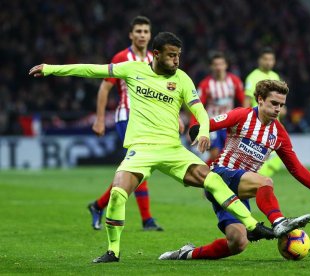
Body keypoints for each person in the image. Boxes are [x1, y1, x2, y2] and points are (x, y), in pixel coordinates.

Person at [29, 32, 275, 263]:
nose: (176, 60)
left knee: (211, 179)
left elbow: (198, 108)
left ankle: (252, 226)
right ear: (156, 54)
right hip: (141, 150)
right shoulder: (133, 69)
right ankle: (112, 251)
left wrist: (202, 129)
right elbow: (92, 70)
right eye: (171, 55)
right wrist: (51, 69)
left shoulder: (182, 78)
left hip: (172, 149)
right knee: (117, 193)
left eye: (178, 55)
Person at [159, 80, 310, 260]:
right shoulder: (242, 115)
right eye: (274, 103)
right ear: (260, 99)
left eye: (281, 105)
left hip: (241, 191)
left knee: (238, 243)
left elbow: (297, 169)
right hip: (220, 176)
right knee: (265, 181)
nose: (277, 109)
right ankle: (279, 222)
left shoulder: (279, 134)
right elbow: (205, 124)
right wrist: (198, 131)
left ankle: (187, 254)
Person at [87, 15, 163, 232]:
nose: (142, 35)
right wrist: (100, 119)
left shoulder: (153, 57)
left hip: (149, 120)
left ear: (150, 35)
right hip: (126, 117)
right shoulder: (122, 56)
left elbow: (163, 90)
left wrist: (174, 116)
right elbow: (105, 87)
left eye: (145, 31)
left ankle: (98, 205)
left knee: (137, 168)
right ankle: (147, 220)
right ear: (131, 34)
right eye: (138, 31)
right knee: (140, 164)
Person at [191, 51, 245, 165]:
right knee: (215, 153)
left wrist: (244, 120)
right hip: (212, 123)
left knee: (228, 156)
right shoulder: (205, 84)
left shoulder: (234, 81)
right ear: (211, 66)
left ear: (226, 65)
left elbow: (243, 100)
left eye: (221, 64)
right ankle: (201, 174)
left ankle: (203, 174)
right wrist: (194, 124)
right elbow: (197, 106)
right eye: (216, 64)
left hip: (229, 124)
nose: (218, 67)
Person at [244, 47, 282, 177]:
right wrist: (246, 120)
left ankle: (255, 181)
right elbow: (247, 100)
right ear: (259, 60)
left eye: (271, 59)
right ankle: (255, 182)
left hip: (274, 124)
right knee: (270, 157)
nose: (268, 62)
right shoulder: (253, 77)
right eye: (265, 59)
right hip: (260, 123)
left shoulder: (275, 76)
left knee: (272, 159)